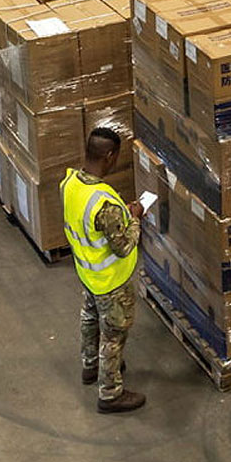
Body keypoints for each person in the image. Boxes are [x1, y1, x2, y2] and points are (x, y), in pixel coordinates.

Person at [62, 127, 145, 413]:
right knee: (113, 335)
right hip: (111, 282)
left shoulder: (70, 183)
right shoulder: (104, 204)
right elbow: (123, 246)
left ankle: (90, 365)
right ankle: (110, 393)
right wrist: (135, 219)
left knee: (89, 317)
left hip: (87, 274)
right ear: (109, 155)